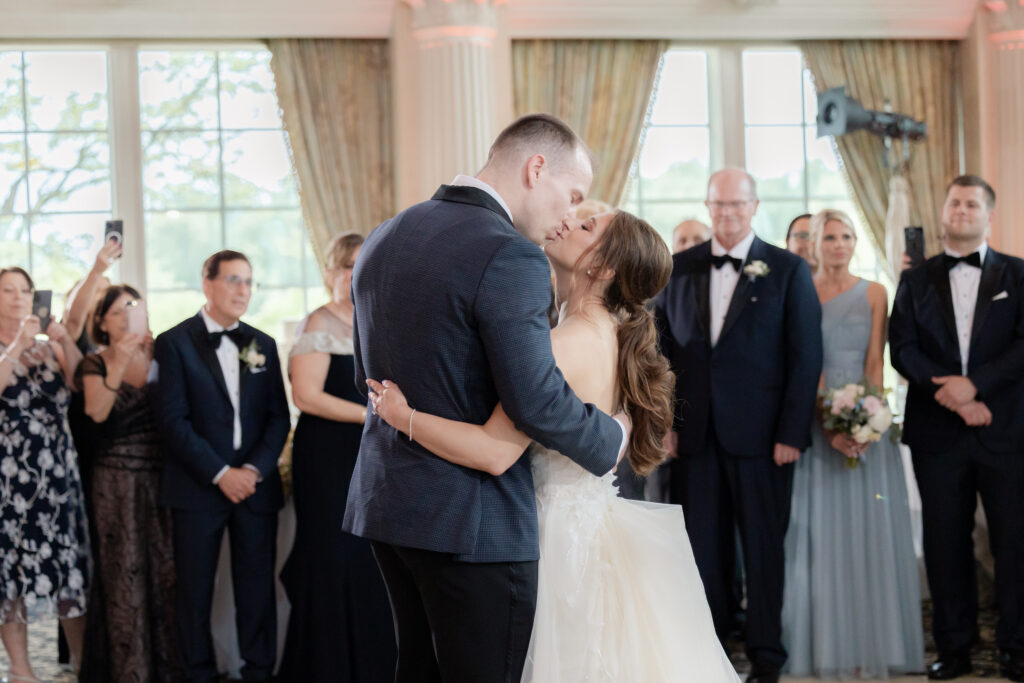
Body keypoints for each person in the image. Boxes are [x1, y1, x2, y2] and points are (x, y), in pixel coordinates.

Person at [368, 210, 739, 682]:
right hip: (590, 521)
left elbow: (493, 451)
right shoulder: (603, 330)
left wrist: (404, 417)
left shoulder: (565, 343)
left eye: (586, 227)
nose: (565, 222)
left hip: (554, 534)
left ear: (603, 268)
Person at [343, 113, 629, 682]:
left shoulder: (387, 232)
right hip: (472, 525)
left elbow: (364, 378)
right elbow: (537, 400)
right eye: (572, 195)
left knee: (418, 671)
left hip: (389, 505)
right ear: (535, 167)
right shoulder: (511, 255)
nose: (571, 215)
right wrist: (612, 435)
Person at [654, 168, 823, 683]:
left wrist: (791, 433)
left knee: (763, 549)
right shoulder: (676, 268)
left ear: (753, 206)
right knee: (704, 551)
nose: (726, 214)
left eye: (736, 205)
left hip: (765, 440)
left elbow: (805, 357)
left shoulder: (789, 269)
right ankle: (715, 652)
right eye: (718, 205)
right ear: (707, 207)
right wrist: (665, 423)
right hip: (695, 436)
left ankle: (767, 655)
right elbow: (658, 354)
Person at [890, 175, 1024, 682]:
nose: (961, 210)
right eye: (954, 202)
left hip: (1006, 430)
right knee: (946, 543)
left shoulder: (1019, 273)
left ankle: (1016, 646)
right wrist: (949, 392)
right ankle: (955, 647)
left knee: (1014, 544)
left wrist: (977, 387)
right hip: (937, 432)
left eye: (972, 203)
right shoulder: (915, 279)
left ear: (989, 215)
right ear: (943, 212)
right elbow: (900, 347)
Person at [781, 209, 924, 678]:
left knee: (870, 534)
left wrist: (866, 422)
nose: (838, 244)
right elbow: (806, 357)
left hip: (865, 426)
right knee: (819, 534)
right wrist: (827, 420)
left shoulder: (876, 293)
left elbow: (874, 364)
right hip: (816, 421)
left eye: (846, 236)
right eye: (829, 237)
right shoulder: (800, 289)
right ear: (815, 244)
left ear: (855, 241)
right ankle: (823, 645)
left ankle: (873, 643)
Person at [154, 251, 290, 683]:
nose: (243, 290)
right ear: (207, 282)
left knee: (256, 590)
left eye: (249, 282)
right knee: (195, 591)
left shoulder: (262, 344)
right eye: (233, 280)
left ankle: (259, 672)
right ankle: (197, 674)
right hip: (197, 488)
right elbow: (171, 421)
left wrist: (251, 471)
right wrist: (220, 473)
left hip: (254, 488)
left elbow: (278, 419)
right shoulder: (172, 343)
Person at [277, 233, 396, 682]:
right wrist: (377, 413)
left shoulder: (380, 320)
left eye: (361, 265)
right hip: (327, 455)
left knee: (371, 560)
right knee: (331, 557)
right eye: (345, 266)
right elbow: (306, 396)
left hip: (372, 453)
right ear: (329, 273)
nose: (352, 274)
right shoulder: (318, 323)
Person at [76, 285, 180, 682]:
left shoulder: (163, 355)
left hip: (163, 477)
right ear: (102, 321)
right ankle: (129, 672)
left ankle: (167, 669)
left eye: (132, 309)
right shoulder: (95, 363)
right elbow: (97, 413)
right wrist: (119, 360)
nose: (125, 318)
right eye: (117, 312)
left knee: (166, 573)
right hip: (114, 483)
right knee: (123, 576)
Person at [0, 266, 90, 680]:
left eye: (25, 290)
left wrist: (64, 340)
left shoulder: (47, 347)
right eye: (8, 290)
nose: (19, 297)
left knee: (66, 566)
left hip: (56, 470)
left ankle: (82, 661)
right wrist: (17, 344)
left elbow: (81, 383)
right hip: (9, 477)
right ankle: (21, 669)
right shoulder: (12, 344)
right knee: (11, 569)